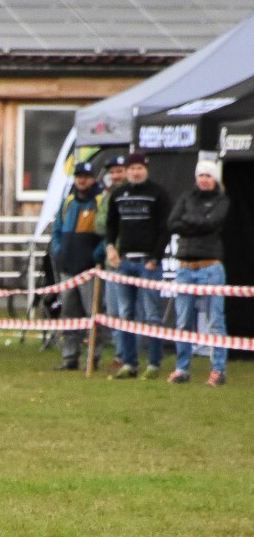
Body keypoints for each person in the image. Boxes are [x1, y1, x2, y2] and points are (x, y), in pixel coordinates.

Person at [104, 152, 171, 380]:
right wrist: (110, 247)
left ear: (146, 169)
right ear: (126, 171)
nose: (135, 172)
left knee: (152, 315)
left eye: (139, 168)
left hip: (148, 263)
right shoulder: (118, 195)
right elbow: (111, 225)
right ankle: (129, 363)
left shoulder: (158, 194)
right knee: (126, 314)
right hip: (125, 262)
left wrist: (155, 258)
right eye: (132, 168)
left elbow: (165, 229)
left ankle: (153, 363)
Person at [166, 159, 230, 386]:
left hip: (211, 265)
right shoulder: (186, 197)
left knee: (216, 321)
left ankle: (218, 370)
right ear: (196, 177)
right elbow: (172, 223)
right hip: (185, 267)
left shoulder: (222, 201)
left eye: (208, 176)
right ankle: (182, 369)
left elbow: (213, 224)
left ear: (215, 179)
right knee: (183, 321)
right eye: (201, 175)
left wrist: (188, 221)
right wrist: (200, 221)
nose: (204, 179)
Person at [50, 161, 105, 370]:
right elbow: (56, 231)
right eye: (78, 176)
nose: (82, 180)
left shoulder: (100, 201)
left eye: (86, 176)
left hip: (90, 269)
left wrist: (95, 256)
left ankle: (92, 357)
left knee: (93, 315)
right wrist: (58, 251)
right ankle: (69, 356)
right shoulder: (68, 202)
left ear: (93, 179)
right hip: (67, 269)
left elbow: (106, 233)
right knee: (68, 314)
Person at [93, 155, 126, 369]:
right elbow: (98, 225)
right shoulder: (107, 196)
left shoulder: (133, 194)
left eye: (119, 171)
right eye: (112, 172)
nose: (115, 175)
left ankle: (128, 355)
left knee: (129, 311)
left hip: (129, 258)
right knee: (113, 310)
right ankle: (120, 353)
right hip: (111, 260)